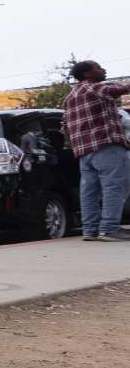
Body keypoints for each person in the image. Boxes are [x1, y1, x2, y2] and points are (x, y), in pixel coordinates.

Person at [62, 60, 130, 242]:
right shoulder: (94, 87)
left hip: (84, 152)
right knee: (114, 186)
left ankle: (90, 230)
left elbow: (65, 127)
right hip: (107, 146)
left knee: (89, 191)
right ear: (87, 74)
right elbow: (117, 90)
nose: (103, 69)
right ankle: (109, 229)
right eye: (98, 68)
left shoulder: (69, 97)